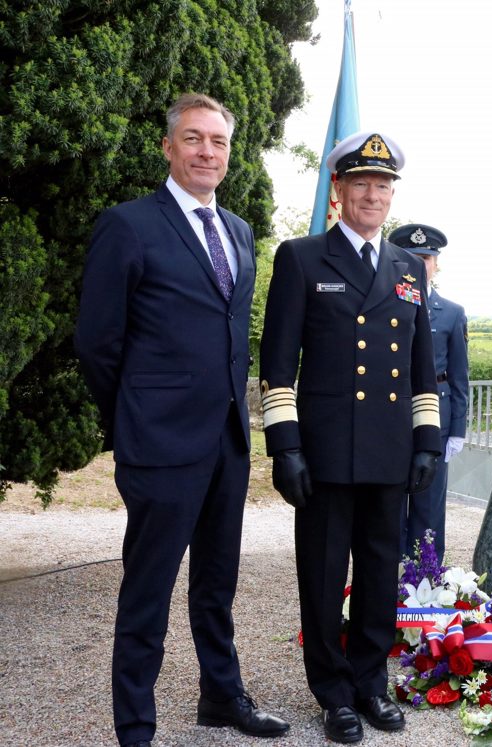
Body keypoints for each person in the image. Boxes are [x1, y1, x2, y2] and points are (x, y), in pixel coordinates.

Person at [74, 93, 289, 747]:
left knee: (216, 584)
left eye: (218, 141)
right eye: (193, 138)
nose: (206, 151)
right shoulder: (129, 225)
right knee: (148, 592)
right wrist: (134, 418)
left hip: (227, 440)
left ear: (229, 153)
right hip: (160, 444)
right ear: (169, 147)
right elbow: (97, 343)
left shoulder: (240, 232)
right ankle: (135, 729)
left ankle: (221, 696)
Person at [258, 131, 442, 743]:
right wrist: (286, 445)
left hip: (389, 450)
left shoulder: (407, 267)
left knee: (380, 572)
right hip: (326, 450)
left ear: (392, 196)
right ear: (338, 190)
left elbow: (421, 365)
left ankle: (370, 682)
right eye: (361, 183)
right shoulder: (302, 258)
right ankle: (333, 692)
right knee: (322, 573)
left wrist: (427, 440)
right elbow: (278, 363)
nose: (373, 195)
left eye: (382, 185)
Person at [389, 223, 469, 564]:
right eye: (411, 258)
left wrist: (458, 429)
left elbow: (459, 376)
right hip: (391, 412)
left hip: (437, 415)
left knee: (429, 503)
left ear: (435, 264)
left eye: (425, 259)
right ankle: (387, 576)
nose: (419, 265)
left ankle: (427, 576)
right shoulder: (383, 305)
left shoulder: (451, 312)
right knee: (389, 500)